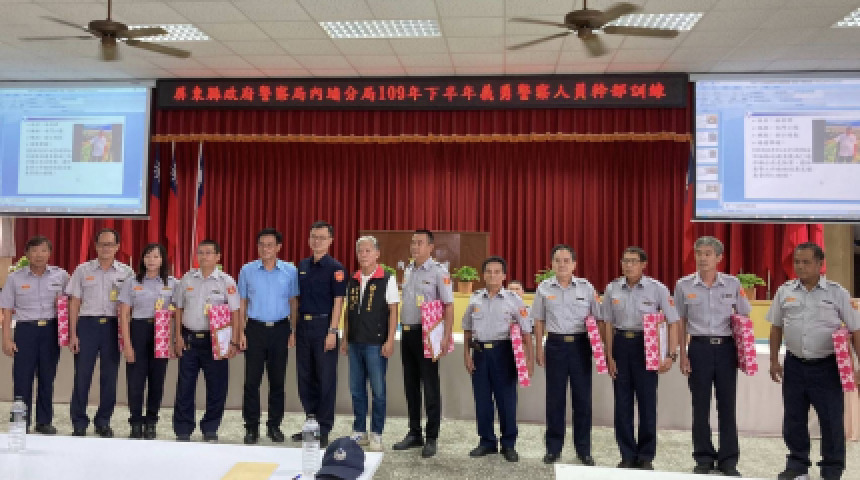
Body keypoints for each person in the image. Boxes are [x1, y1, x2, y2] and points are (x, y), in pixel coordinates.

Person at [767, 242, 860, 480]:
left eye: (806, 262)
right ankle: (797, 466)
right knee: (794, 419)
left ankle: (832, 469)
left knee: (831, 420)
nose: (801, 266)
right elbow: (776, 327)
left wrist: (859, 366)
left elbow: (855, 329)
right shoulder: (784, 291)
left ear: (820, 264)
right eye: (797, 262)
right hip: (794, 365)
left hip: (827, 367)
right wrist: (774, 360)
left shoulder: (837, 293)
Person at [674, 236, 751, 476]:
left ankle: (728, 460)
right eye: (699, 253)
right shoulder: (684, 285)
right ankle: (704, 458)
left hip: (726, 349)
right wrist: (683, 354)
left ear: (719, 258)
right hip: (699, 349)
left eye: (707, 254)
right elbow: (680, 321)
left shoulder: (732, 284)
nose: (702, 258)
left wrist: (743, 352)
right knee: (700, 406)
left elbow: (744, 315)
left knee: (727, 406)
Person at [603, 246, 679, 470]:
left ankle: (646, 455)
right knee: (622, 403)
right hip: (620, 345)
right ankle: (627, 454)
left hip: (647, 345)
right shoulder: (612, 288)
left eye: (633, 261)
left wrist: (670, 354)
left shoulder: (657, 289)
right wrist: (609, 355)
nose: (628, 265)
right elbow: (607, 323)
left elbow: (673, 321)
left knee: (647, 403)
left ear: (644, 264)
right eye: (625, 261)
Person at [531, 244, 602, 466]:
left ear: (574, 264)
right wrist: (539, 348)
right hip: (555, 346)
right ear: (552, 264)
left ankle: (584, 449)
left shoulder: (586, 288)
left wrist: (599, 349)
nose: (562, 264)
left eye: (566, 261)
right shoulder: (543, 288)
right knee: (555, 400)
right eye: (557, 260)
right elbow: (538, 321)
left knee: (582, 400)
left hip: (580, 346)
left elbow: (598, 319)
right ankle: (553, 448)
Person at [462, 256, 533, 462]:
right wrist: (466, 355)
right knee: (482, 400)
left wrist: (528, 360)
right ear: (483, 275)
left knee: (506, 400)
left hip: (504, 353)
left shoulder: (514, 300)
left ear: (503, 275)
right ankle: (487, 441)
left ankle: (509, 444)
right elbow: (467, 329)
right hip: (480, 353)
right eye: (489, 272)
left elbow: (526, 332)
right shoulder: (475, 298)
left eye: (497, 272)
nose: (492, 275)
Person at [392, 229, 454, 458]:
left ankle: (432, 437)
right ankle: (414, 432)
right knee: (410, 386)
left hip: (427, 335)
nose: (415, 246)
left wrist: (446, 336)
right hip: (408, 333)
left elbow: (448, 305)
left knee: (430, 386)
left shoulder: (439, 271)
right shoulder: (408, 270)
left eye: (420, 243)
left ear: (430, 247)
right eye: (413, 242)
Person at [66, 227, 134, 437]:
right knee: (82, 376)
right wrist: (73, 334)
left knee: (109, 377)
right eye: (102, 244)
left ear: (117, 247)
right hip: (87, 326)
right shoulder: (82, 270)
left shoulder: (126, 272)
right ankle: (79, 421)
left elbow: (130, 306)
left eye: (110, 244)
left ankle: (103, 421)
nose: (106, 248)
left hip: (113, 327)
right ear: (96, 246)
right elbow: (74, 303)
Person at [172, 239, 240, 442]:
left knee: (217, 387)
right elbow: (178, 309)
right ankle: (183, 429)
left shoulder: (226, 282)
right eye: (200, 252)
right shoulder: (187, 279)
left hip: (216, 341)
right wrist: (177, 336)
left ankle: (210, 427)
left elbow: (235, 312)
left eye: (208, 252)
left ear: (218, 256)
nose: (203, 256)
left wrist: (234, 341)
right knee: (185, 387)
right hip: (190, 339)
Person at [0, 235, 69, 434]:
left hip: (50, 330)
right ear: (27, 254)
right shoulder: (15, 278)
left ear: (50, 253)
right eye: (34, 250)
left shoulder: (61, 276)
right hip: (25, 330)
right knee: (22, 378)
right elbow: (6, 309)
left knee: (47, 377)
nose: (39, 255)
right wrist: (6, 339)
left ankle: (44, 421)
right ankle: (20, 422)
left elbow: (71, 303)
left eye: (43, 250)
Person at [237, 228, 299, 444]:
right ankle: (251, 427)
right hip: (254, 329)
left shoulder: (290, 271)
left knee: (277, 381)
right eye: (261, 244)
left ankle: (274, 426)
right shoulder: (247, 270)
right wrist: (240, 331)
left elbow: (293, 302)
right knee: (251, 382)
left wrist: (293, 330)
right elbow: (242, 302)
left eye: (270, 244)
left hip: (280, 330)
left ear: (278, 247)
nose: (265, 248)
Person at [291, 221, 347, 447]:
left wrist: (333, 331)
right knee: (305, 377)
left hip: (324, 327)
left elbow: (338, 302)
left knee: (325, 379)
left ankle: (323, 428)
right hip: (304, 327)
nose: (317, 241)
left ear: (330, 241)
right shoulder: (303, 265)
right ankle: (310, 424)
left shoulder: (336, 268)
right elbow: (297, 299)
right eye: (314, 236)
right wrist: (294, 328)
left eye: (322, 237)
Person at [342, 235, 399, 452]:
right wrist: (345, 338)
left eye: (368, 251)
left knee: (378, 391)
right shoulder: (353, 279)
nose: (363, 255)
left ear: (377, 254)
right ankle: (359, 430)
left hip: (376, 344)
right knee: (356, 389)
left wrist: (390, 340)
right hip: (355, 342)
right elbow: (348, 311)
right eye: (360, 251)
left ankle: (376, 433)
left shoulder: (387, 279)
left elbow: (393, 311)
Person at [117, 243, 176, 440]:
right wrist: (127, 344)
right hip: (138, 330)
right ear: (142, 259)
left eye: (156, 256)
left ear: (162, 260)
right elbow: (124, 315)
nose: (151, 260)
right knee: (135, 381)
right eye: (148, 256)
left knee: (157, 381)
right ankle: (135, 422)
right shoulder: (132, 282)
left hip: (161, 331)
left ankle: (151, 422)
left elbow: (177, 313)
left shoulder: (172, 283)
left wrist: (172, 341)